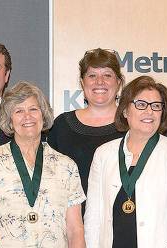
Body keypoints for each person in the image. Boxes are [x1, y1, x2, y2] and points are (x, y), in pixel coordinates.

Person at [84, 76, 167, 247]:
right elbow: (93, 217)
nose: (149, 111)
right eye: (141, 104)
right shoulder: (103, 154)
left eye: (156, 106)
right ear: (125, 111)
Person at [0, 82, 86, 247]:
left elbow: (75, 231)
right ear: (9, 121)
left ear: (43, 115)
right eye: (19, 111)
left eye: (33, 109)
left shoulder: (66, 166)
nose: (27, 117)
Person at [47, 48, 126, 193]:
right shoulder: (62, 125)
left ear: (119, 83)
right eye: (92, 75)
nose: (99, 82)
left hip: (122, 213)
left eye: (107, 75)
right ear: (83, 83)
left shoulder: (131, 125)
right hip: (71, 214)